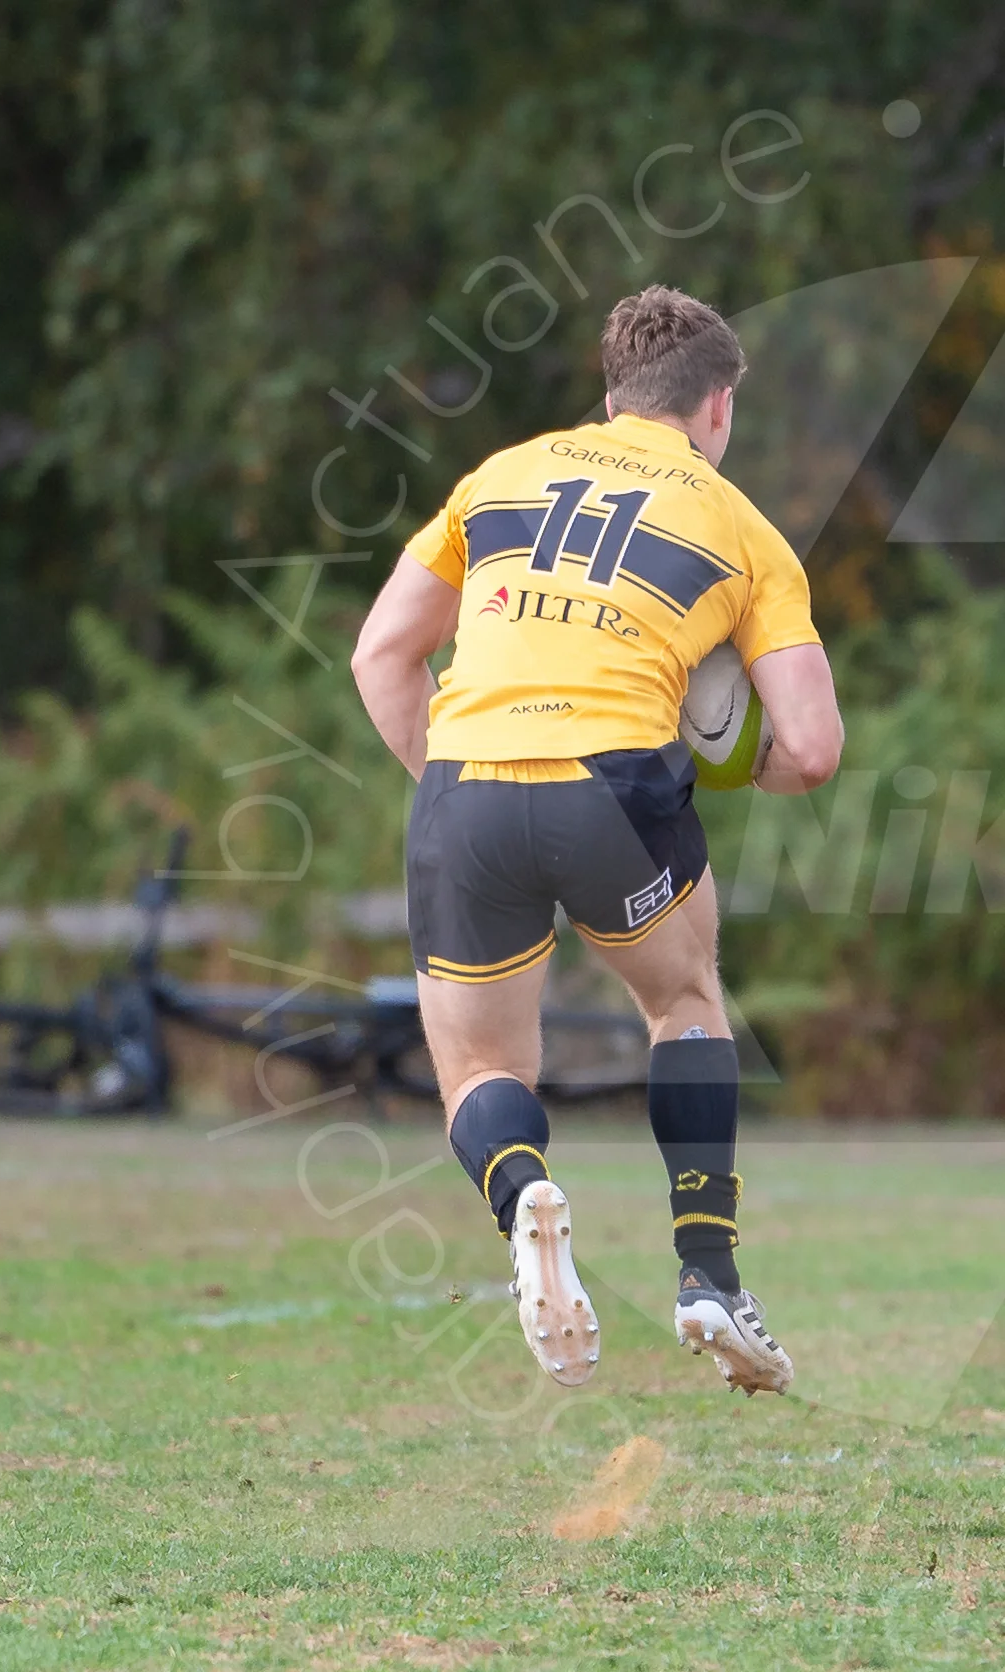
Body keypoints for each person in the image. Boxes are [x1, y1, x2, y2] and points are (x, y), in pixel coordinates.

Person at [350, 285, 843, 1394]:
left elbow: (382, 657)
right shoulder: (742, 528)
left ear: (611, 394)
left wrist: (461, 792)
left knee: (478, 1066)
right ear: (715, 408)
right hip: (618, 783)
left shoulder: (500, 477)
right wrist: (725, 754)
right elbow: (811, 749)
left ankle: (524, 1190)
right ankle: (708, 1275)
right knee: (683, 1003)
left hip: (467, 781)